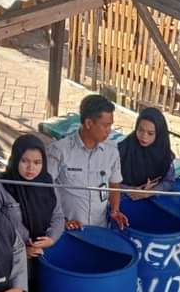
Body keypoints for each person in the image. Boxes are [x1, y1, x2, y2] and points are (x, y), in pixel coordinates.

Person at [0, 134, 64, 292]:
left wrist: (51, 239)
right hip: (12, 265)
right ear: (15, 159)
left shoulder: (47, 183)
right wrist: (20, 252)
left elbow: (58, 216)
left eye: (37, 163)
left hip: (43, 261)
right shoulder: (1, 186)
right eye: (25, 161)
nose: (30, 168)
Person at [45, 94, 127, 230]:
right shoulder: (59, 151)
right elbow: (45, 190)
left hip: (99, 228)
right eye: (105, 126)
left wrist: (115, 210)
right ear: (89, 123)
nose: (109, 131)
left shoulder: (112, 150)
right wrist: (61, 220)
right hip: (68, 230)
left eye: (110, 125)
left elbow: (114, 183)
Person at [118, 107, 177, 201]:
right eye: (140, 130)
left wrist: (148, 193)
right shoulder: (123, 149)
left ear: (158, 134)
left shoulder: (164, 154)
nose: (144, 137)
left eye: (150, 133)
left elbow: (169, 182)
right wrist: (130, 190)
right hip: (122, 199)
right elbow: (107, 181)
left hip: (150, 200)